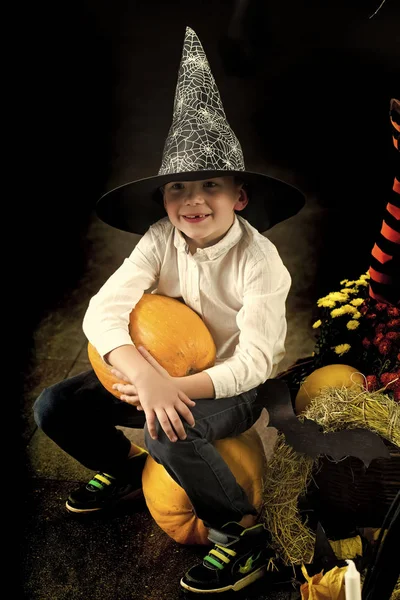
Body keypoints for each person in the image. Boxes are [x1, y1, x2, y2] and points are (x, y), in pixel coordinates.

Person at [33, 26, 305, 594]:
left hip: (226, 385)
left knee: (168, 432)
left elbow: (256, 359)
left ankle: (240, 532)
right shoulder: (159, 239)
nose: (194, 200)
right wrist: (144, 375)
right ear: (163, 199)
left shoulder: (262, 261)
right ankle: (126, 471)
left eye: (211, 185)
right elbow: (103, 311)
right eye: (179, 187)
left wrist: (178, 392)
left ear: (240, 195)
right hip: (156, 372)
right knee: (55, 405)